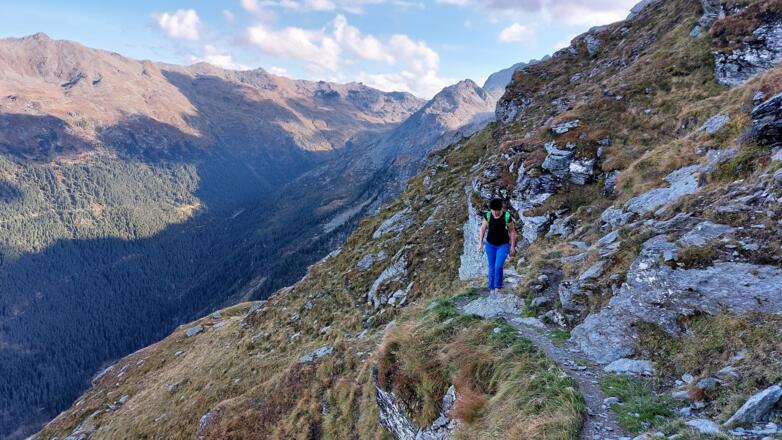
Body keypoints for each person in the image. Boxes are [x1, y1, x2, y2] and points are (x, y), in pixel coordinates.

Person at [477, 198, 517, 294]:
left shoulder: (507, 216)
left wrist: (512, 246)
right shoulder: (488, 215)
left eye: (497, 211)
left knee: (498, 266)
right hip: (490, 245)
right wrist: (480, 243)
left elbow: (512, 231)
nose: (496, 213)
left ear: (501, 209)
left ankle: (497, 287)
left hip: (503, 245)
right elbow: (482, 228)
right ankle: (491, 288)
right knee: (491, 267)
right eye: (494, 210)